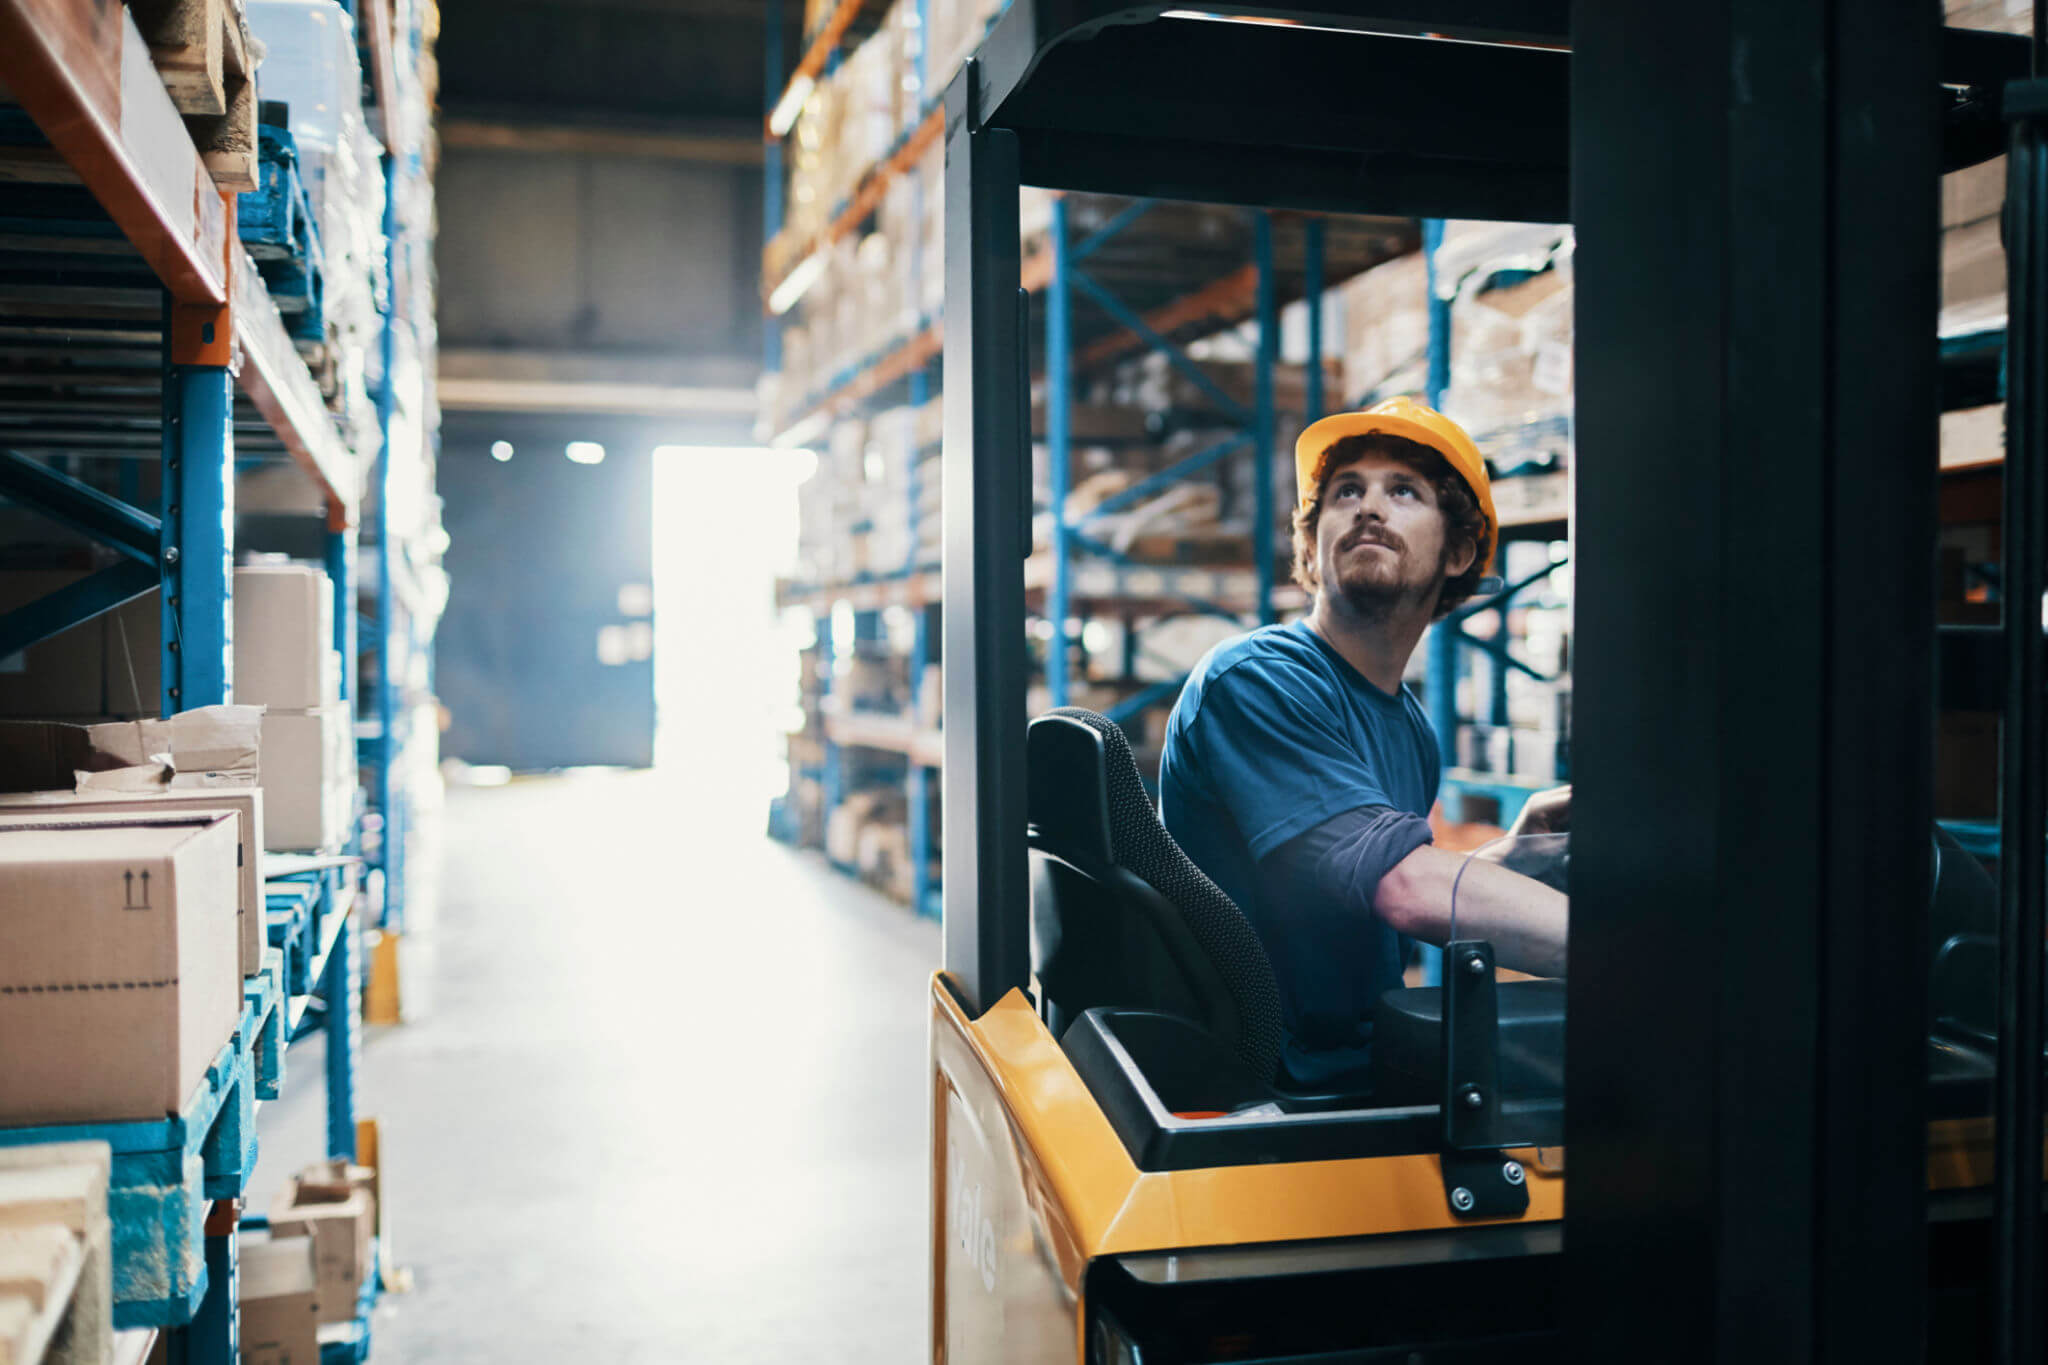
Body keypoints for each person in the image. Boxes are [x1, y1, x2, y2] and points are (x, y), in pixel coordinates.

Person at [1158, 397, 1568, 1091]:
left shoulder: (1410, 731)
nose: (1367, 507)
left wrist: (1513, 858)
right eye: (1347, 491)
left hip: (1350, 1066)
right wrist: (1631, 950)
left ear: (1459, 551)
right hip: (1267, 1088)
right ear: (1313, 543)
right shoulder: (1257, 680)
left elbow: (1369, 898)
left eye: (1402, 491)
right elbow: (1404, 889)